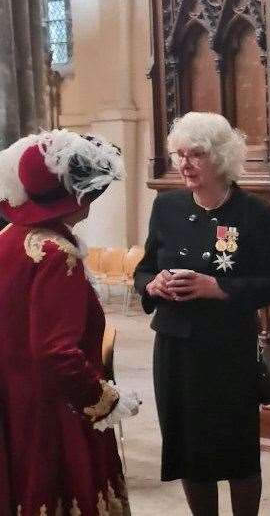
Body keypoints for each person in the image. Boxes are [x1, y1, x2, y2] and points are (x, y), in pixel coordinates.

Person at [133, 112, 270, 516]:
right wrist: (153, 285)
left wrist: (216, 288)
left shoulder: (253, 213)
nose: (184, 164)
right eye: (179, 154)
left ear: (220, 157)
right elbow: (144, 269)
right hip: (175, 345)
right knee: (188, 448)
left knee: (235, 448)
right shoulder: (166, 207)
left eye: (195, 154)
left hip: (227, 349)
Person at [0, 130, 140, 516]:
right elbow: (56, 352)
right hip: (54, 412)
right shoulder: (56, 252)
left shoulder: (10, 237)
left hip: (14, 402)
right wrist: (102, 400)